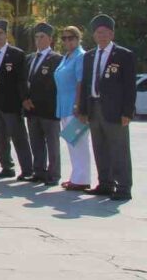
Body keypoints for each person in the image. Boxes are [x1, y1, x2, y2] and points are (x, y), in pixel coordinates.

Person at [80, 14, 136, 201]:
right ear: (94, 35)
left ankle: (124, 187)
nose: (102, 36)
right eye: (98, 33)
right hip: (94, 107)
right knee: (100, 147)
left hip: (115, 110)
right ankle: (105, 183)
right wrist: (82, 109)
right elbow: (86, 83)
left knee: (119, 149)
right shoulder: (89, 56)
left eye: (105, 32)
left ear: (111, 34)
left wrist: (127, 112)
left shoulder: (123, 55)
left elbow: (129, 87)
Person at [0, 19, 32, 180]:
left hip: (12, 103)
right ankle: (7, 167)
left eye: (0, 33)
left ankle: (27, 169)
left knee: (19, 138)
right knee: (0, 138)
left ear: (6, 35)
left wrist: (24, 98)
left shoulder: (17, 54)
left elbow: (22, 79)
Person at [22, 22, 62, 186]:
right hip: (31, 109)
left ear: (50, 39)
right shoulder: (29, 58)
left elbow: (53, 85)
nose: (38, 40)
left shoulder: (56, 58)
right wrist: (25, 98)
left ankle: (53, 175)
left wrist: (36, 100)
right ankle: (38, 171)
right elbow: (23, 81)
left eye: (42, 37)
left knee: (52, 144)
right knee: (36, 142)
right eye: (36, 37)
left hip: (48, 108)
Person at [56, 25, 91, 191]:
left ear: (78, 39)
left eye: (71, 38)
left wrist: (78, 105)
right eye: (64, 38)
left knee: (79, 143)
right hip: (64, 104)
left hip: (74, 105)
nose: (67, 41)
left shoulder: (80, 56)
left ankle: (83, 179)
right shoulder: (67, 56)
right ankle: (76, 176)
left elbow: (80, 82)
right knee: (72, 142)